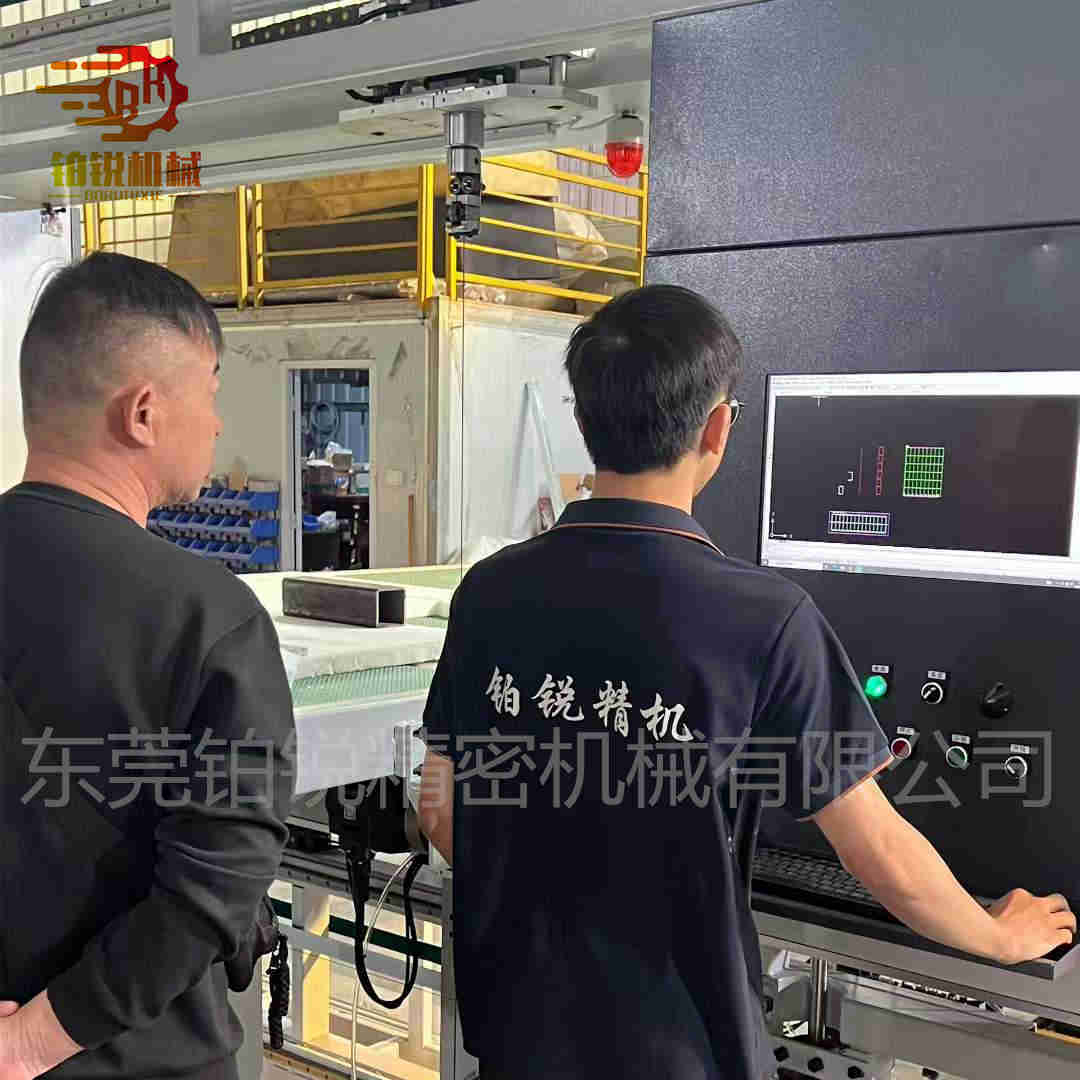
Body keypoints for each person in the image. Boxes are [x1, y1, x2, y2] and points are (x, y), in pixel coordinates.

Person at [416, 285, 1075, 1080]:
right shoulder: (765, 619)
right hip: (676, 1051)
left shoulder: (489, 592)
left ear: (585, 421)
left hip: (519, 1035)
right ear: (718, 428)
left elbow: (441, 809)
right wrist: (996, 935)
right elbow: (880, 855)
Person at [0, 252, 295, 1079]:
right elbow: (213, 893)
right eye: (210, 393)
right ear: (142, 412)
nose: (217, 424)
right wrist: (27, 1043)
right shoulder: (209, 618)